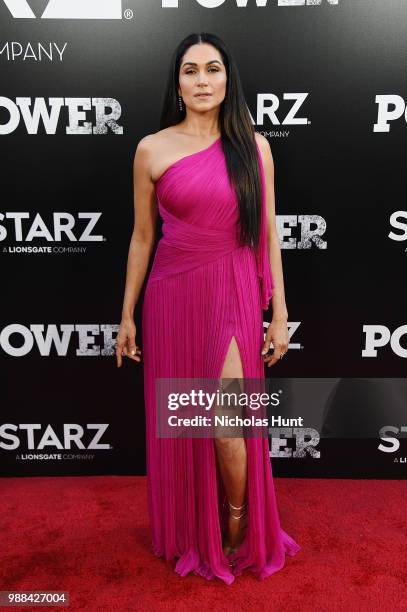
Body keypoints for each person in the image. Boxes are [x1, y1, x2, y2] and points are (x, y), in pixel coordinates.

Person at [115, 32, 300, 585]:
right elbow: (142, 237)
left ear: (227, 79)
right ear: (177, 81)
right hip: (172, 295)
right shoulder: (152, 148)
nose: (202, 81)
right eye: (190, 70)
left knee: (225, 426)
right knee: (187, 424)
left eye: (212, 69)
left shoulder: (254, 146)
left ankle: (238, 526)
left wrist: (280, 309)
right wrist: (126, 314)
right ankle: (192, 528)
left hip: (234, 290)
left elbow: (268, 232)